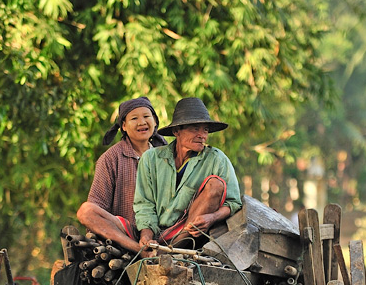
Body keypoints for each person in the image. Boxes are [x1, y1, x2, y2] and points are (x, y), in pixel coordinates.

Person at [132, 97, 242, 252]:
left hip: (189, 236)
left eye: (205, 130)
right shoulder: (151, 159)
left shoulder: (216, 159)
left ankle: (172, 249)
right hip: (157, 233)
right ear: (177, 131)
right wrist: (146, 235)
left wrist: (212, 218)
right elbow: (145, 204)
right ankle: (149, 249)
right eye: (195, 129)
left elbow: (233, 203)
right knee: (89, 212)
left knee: (215, 184)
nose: (202, 135)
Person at [76, 96, 167, 254]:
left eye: (146, 116)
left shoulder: (167, 156)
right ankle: (139, 250)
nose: (142, 122)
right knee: (86, 210)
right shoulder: (111, 158)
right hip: (125, 232)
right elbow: (97, 205)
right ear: (123, 126)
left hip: (163, 232)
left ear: (155, 121)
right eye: (134, 118)